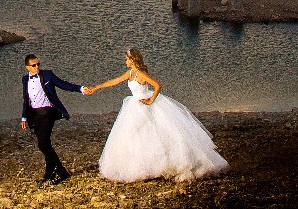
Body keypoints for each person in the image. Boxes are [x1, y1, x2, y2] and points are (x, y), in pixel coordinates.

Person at [86, 47, 227, 183]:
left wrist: (151, 100)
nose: (125, 61)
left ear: (133, 60)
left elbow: (157, 85)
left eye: (127, 59)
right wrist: (96, 88)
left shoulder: (141, 74)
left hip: (144, 103)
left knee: (154, 132)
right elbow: (114, 81)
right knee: (135, 135)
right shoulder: (130, 73)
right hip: (134, 104)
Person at [19, 53, 90, 185]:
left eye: (38, 64)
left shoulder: (48, 75)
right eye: (34, 65)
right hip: (34, 115)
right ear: (27, 67)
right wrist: (24, 116)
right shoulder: (25, 79)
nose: (37, 67)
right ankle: (50, 173)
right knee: (45, 143)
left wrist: (80, 89)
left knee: (43, 144)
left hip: (47, 113)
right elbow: (26, 99)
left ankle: (61, 171)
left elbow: (63, 84)